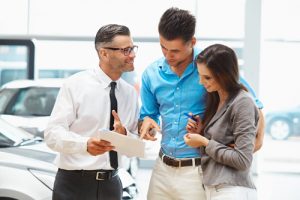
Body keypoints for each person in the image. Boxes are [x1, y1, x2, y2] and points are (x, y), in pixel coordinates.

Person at [138, 7, 264, 200]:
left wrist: (255, 143)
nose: (168, 55)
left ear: (192, 42)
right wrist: (146, 122)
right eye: (163, 47)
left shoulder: (210, 67)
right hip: (162, 168)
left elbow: (254, 105)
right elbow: (148, 115)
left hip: (199, 168)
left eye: (175, 50)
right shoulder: (151, 73)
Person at [44, 24, 139, 200]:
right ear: (104, 53)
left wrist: (125, 135)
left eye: (132, 49)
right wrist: (85, 145)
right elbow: (52, 134)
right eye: (126, 50)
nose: (132, 55)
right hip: (74, 186)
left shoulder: (130, 93)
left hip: (112, 185)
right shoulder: (75, 85)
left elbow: (135, 146)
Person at [184, 44, 259, 200]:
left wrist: (204, 142)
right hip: (215, 187)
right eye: (200, 75)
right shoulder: (216, 99)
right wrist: (200, 134)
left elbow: (243, 160)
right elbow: (218, 149)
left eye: (207, 77)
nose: (200, 82)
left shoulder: (243, 103)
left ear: (224, 74)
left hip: (232, 189)